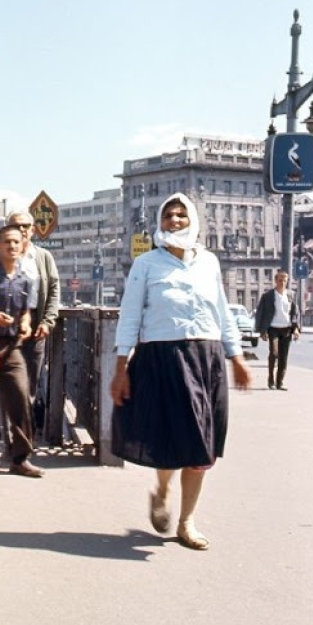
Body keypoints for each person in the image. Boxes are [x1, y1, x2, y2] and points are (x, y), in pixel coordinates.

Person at [110, 193, 252, 551]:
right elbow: (130, 317)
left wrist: (236, 357)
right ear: (160, 221)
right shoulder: (146, 265)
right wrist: (121, 367)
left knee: (202, 445)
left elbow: (222, 312)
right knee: (172, 437)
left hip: (206, 358)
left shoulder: (209, 263)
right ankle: (162, 489)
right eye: (169, 216)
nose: (175, 221)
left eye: (181, 215)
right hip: (163, 358)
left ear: (192, 220)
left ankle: (187, 521)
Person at [0, 224, 43, 478]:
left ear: (23, 245)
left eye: (16, 242)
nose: (12, 246)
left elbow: (25, 310)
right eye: (6, 242)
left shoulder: (25, 279)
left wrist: (25, 322)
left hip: (12, 347)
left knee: (21, 398)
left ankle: (20, 458)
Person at [5, 210, 62, 437]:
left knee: (29, 385)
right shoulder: (0, 257)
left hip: (36, 328)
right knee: (9, 385)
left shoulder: (43, 257)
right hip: (7, 329)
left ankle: (24, 440)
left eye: (26, 226)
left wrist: (48, 321)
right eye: (16, 226)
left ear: (33, 230)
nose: (22, 231)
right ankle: (11, 438)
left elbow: (55, 289)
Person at [254, 270, 300, 391]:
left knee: (283, 357)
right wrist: (262, 331)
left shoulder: (291, 295)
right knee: (274, 354)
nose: (282, 282)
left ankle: (280, 382)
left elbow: (295, 313)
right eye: (280, 280)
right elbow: (261, 313)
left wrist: (296, 328)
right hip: (273, 328)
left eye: (285, 280)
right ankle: (271, 380)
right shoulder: (268, 296)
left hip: (286, 329)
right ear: (275, 280)